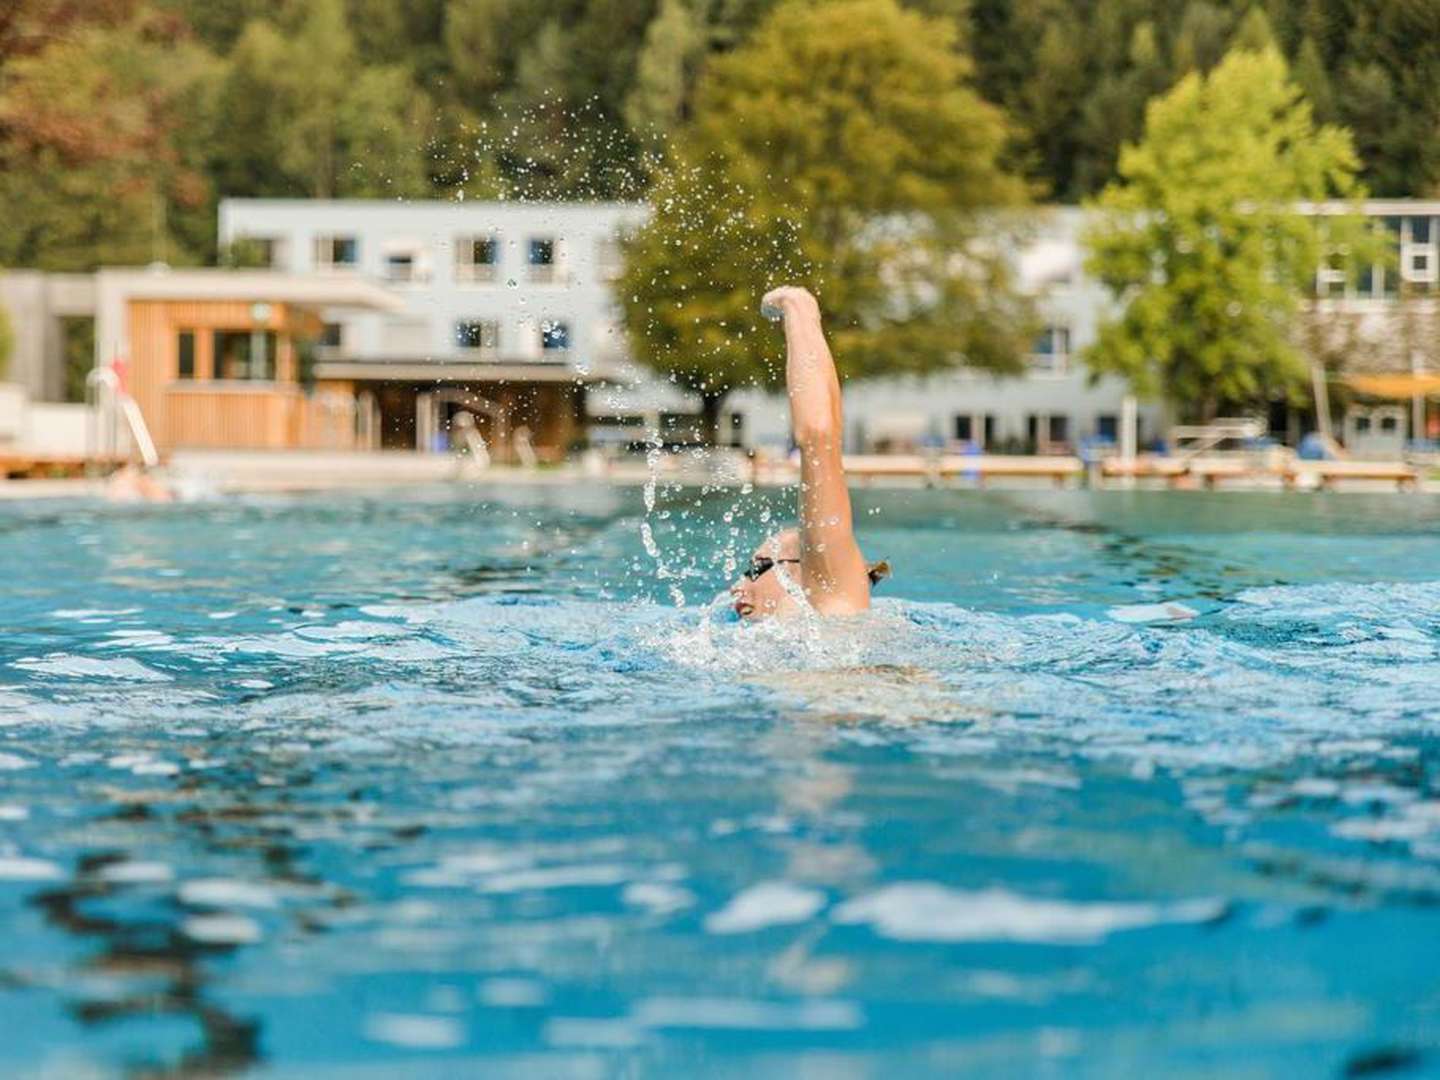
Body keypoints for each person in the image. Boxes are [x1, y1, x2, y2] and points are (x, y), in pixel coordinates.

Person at [730, 286, 887, 620]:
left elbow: (819, 439)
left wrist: (796, 307)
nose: (738, 585)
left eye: (757, 568)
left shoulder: (831, 602)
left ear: (809, 567)